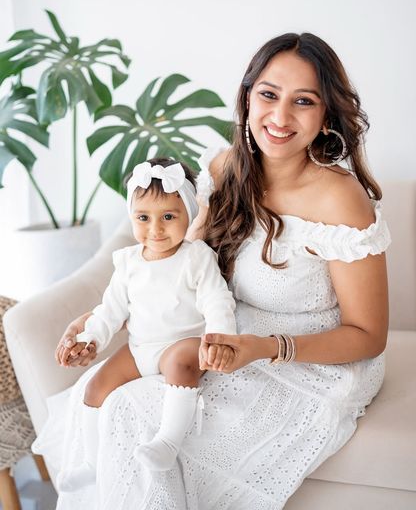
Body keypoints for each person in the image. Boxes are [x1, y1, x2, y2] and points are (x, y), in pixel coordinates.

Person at [41, 32, 390, 509]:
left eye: (303, 101)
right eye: (268, 94)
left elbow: (368, 335)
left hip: (313, 359)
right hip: (228, 335)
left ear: (326, 114)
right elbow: (182, 267)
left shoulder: (340, 200)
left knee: (135, 412)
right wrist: (103, 318)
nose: (280, 117)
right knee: (98, 393)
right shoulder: (227, 168)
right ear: (247, 98)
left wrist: (264, 349)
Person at [55, 158, 236, 491]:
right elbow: (111, 310)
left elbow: (217, 300)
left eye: (168, 216)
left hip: (184, 344)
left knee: (181, 361)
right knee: (95, 388)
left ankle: (167, 443)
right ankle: (93, 464)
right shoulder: (127, 263)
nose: (155, 229)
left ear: (188, 214)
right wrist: (90, 337)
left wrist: (219, 338)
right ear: (131, 217)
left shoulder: (196, 257)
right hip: (140, 349)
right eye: (143, 218)